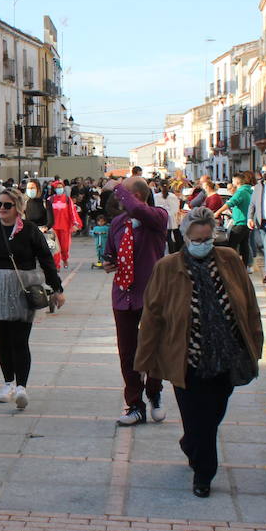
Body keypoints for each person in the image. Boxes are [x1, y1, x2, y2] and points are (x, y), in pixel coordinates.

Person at [134, 207, 263, 497]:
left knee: (213, 413)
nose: (203, 244)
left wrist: (255, 343)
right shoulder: (167, 267)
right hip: (186, 359)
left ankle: (191, 444)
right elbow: (152, 315)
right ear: (185, 238)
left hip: (226, 356)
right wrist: (144, 359)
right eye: (197, 239)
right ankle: (204, 474)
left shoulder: (229, 259)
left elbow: (249, 304)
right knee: (197, 417)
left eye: (207, 239)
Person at [0, 188, 65, 410]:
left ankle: (21, 387)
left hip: (22, 290)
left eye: (7, 205)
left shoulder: (29, 230)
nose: (1, 208)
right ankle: (8, 383)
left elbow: (46, 259)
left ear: (17, 208)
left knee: (20, 339)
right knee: (3, 340)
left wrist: (57, 288)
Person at [102, 179, 170, 426]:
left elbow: (138, 209)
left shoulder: (158, 217)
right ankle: (134, 404)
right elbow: (110, 252)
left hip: (151, 294)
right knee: (127, 352)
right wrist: (108, 262)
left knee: (154, 348)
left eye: (124, 195)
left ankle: (154, 391)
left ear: (138, 195)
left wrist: (117, 186)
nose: (118, 199)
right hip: (123, 294)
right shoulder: (118, 223)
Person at [217, 171, 256, 268]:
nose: (232, 182)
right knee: (244, 246)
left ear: (237, 181)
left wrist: (217, 212)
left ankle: (231, 267)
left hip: (240, 223)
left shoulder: (240, 192)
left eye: (233, 181)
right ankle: (244, 267)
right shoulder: (248, 191)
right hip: (246, 222)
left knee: (231, 246)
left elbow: (230, 203)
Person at [48, 180, 82, 269]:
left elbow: (72, 212)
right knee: (55, 247)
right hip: (53, 227)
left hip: (65, 227)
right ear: (54, 189)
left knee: (64, 247)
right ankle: (56, 265)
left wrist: (75, 223)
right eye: (57, 188)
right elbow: (46, 213)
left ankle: (65, 258)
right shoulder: (50, 200)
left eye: (61, 187)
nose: (59, 189)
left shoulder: (67, 199)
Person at [156, 179, 184, 254]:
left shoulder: (156, 196)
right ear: (169, 186)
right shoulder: (173, 196)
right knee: (175, 237)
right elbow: (177, 208)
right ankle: (177, 252)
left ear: (159, 186)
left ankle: (169, 253)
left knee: (167, 238)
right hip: (173, 219)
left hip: (162, 219)